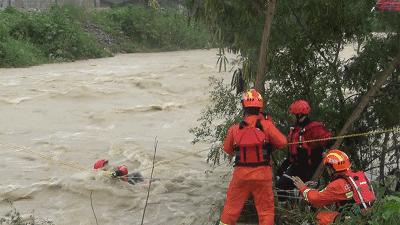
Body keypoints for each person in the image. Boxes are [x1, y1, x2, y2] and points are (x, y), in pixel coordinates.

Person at [219, 89, 287, 225]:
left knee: (231, 209)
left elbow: (227, 149)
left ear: (244, 107)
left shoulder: (235, 128)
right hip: (263, 175)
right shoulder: (267, 125)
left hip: (241, 175)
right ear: (260, 107)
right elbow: (283, 142)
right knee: (266, 211)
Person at [292, 149, 376, 225]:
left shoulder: (338, 185)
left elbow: (316, 199)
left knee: (320, 217)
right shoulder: (358, 176)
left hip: (352, 220)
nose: (327, 171)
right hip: (368, 216)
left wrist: (303, 188)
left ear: (332, 168)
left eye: (328, 168)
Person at [276, 100, 332, 200]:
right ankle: (286, 210)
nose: (291, 116)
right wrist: (281, 168)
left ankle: (308, 210)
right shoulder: (295, 130)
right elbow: (291, 155)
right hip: (296, 168)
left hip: (310, 170)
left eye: (293, 114)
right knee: (280, 185)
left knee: (308, 196)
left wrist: (326, 154)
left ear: (299, 115)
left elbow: (329, 142)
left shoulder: (314, 128)